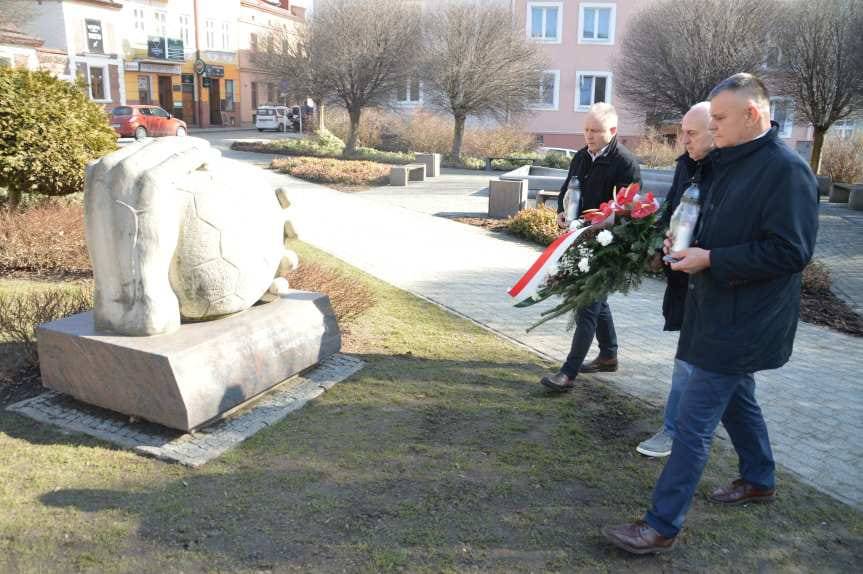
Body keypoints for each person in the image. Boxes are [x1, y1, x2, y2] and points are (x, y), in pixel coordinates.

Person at [602, 73, 819, 554]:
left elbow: (792, 251)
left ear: (752, 115)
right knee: (737, 399)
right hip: (711, 305)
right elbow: (705, 217)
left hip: (746, 318)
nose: (712, 126)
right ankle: (759, 479)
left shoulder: (786, 171)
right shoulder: (724, 160)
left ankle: (661, 525)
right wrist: (679, 243)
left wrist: (713, 259)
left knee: (693, 422)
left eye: (719, 118)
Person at [540, 103, 641, 392]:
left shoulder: (625, 163)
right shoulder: (582, 156)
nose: (589, 136)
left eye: (595, 130)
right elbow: (567, 189)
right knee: (597, 302)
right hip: (578, 239)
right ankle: (608, 355)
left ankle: (568, 373)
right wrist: (562, 212)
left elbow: (628, 209)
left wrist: (601, 224)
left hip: (608, 246)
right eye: (586, 130)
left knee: (588, 305)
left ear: (613, 131)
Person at [636, 102, 714, 458]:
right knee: (730, 381)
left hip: (714, 283)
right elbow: (671, 210)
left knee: (689, 364)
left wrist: (707, 256)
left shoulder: (731, 172)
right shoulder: (687, 165)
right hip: (686, 280)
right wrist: (658, 244)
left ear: (715, 131)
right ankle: (758, 469)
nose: (684, 140)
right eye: (683, 132)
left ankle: (673, 431)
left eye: (692, 133)